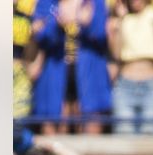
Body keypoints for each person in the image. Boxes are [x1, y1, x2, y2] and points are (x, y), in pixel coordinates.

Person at [31, 0, 112, 134]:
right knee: (53, 133)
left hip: (90, 78)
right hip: (54, 77)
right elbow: (41, 38)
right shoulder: (47, 3)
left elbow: (102, 37)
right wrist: (57, 24)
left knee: (91, 137)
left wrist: (85, 23)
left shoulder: (96, 3)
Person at [109, 0, 153, 134]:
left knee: (149, 136)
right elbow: (117, 54)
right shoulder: (122, 19)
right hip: (125, 86)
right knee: (124, 134)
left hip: (151, 86)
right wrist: (119, 21)